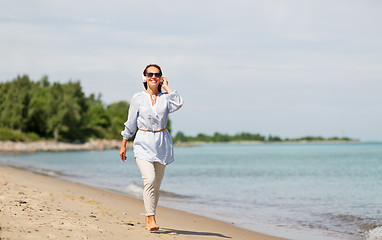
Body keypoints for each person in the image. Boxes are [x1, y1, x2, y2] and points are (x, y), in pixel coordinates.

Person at [119, 64, 183, 232]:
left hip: (162, 144)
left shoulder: (165, 98)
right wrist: (124, 144)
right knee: (149, 180)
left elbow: (179, 103)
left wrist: (166, 86)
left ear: (161, 77)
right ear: (144, 78)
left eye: (157, 74)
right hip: (142, 142)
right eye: (150, 74)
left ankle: (150, 217)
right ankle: (150, 218)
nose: (153, 77)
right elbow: (130, 123)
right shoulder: (137, 98)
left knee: (156, 187)